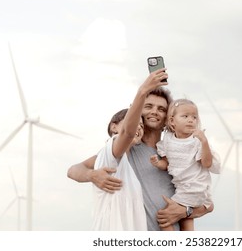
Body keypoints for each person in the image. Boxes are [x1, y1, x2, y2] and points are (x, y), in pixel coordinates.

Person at [67, 68, 213, 230]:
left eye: (161, 109)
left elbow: (207, 204)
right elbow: (73, 170)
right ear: (138, 112)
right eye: (148, 106)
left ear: (169, 119)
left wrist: (184, 211)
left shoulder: (176, 153)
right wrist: (92, 175)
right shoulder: (126, 151)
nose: (154, 112)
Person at [150, 98, 221, 231]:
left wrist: (204, 142)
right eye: (185, 116)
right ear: (172, 121)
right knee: (186, 218)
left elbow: (207, 163)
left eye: (194, 117)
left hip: (194, 186)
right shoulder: (168, 140)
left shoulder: (196, 140)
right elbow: (166, 164)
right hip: (182, 187)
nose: (191, 120)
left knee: (165, 216)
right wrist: (158, 163)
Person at [91, 108, 146, 230]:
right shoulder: (109, 152)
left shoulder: (127, 165)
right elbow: (127, 133)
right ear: (114, 127)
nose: (138, 128)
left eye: (142, 126)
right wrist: (142, 92)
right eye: (133, 121)